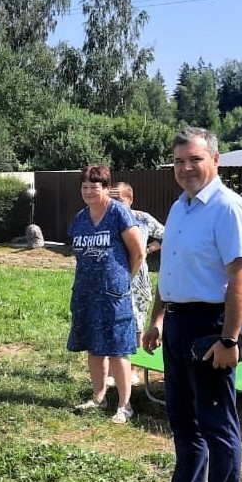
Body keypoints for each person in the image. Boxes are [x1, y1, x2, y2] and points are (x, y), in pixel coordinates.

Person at [136, 127, 242, 482]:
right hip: (177, 322)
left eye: (194, 159)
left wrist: (229, 339)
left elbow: (241, 277)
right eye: (179, 161)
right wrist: (157, 319)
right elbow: (169, 270)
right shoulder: (180, 208)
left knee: (216, 419)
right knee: (183, 416)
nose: (186, 168)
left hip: (211, 324)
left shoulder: (228, 208)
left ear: (215, 160)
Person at [67, 164, 144, 424]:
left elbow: (138, 252)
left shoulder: (119, 213)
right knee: (94, 346)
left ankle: (125, 405)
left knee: (117, 349)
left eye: (94, 187)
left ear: (105, 187)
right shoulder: (80, 218)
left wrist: (124, 280)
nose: (88, 192)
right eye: (84, 187)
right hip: (86, 293)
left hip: (114, 295)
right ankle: (98, 398)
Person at [109, 181, 165, 387]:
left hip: (138, 281)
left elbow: (166, 236)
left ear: (130, 199)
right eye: (110, 198)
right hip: (113, 280)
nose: (113, 203)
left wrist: (149, 249)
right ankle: (114, 370)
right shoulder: (105, 219)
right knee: (113, 323)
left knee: (136, 324)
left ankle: (133, 369)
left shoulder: (143, 219)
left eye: (118, 199)